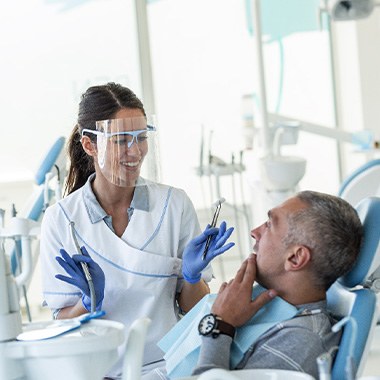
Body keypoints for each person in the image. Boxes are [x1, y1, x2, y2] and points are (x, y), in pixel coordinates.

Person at [39, 82, 234, 379]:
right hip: (100, 370)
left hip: (169, 367)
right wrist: (87, 303)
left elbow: (193, 307)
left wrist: (193, 278)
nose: (135, 151)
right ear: (90, 145)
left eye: (141, 137)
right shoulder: (61, 219)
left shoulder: (174, 204)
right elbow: (61, 324)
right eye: (120, 140)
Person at [191, 191, 363, 380]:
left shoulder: (299, 342)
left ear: (295, 258)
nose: (254, 232)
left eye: (269, 225)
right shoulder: (268, 307)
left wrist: (220, 325)